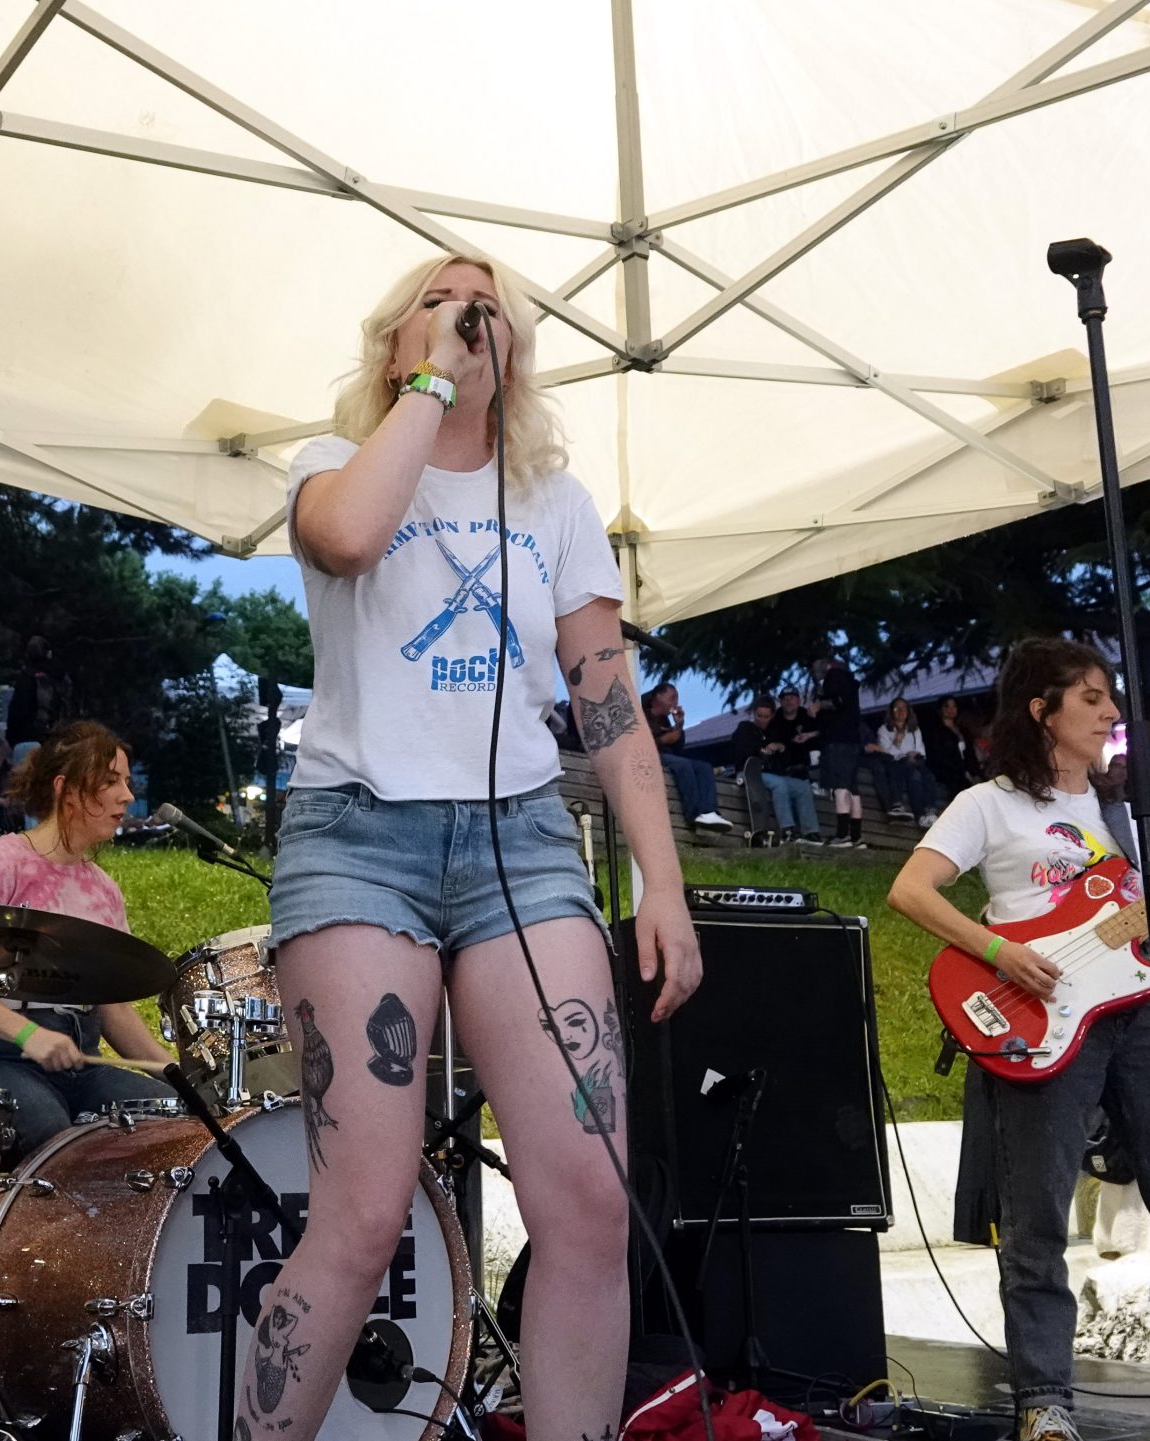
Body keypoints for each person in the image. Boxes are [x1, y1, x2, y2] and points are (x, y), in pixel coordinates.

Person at [261, 252, 701, 1440]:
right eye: (443, 301)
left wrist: (662, 880)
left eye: (490, 307)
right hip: (359, 838)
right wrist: (428, 388)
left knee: (590, 1203)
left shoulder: (552, 500)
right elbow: (348, 538)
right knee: (362, 1214)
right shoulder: (329, 462)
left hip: (522, 838)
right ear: (392, 337)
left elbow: (607, 700)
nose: (469, 316)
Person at [889, 637, 1150, 1441]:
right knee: (1037, 1218)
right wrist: (998, 950)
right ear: (1042, 709)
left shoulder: (1127, 818)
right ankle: (1044, 1401)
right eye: (1093, 697)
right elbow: (910, 889)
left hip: (1145, 1017)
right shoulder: (987, 804)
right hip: (1039, 1017)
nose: (1113, 712)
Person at [0, 722, 175, 1158]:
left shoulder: (104, 891)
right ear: (68, 789)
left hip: (79, 1059)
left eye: (127, 782)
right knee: (48, 1130)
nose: (127, 796)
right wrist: (28, 1033)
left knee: (173, 1120)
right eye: (111, 781)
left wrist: (176, 1075)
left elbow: (112, 1007)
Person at [643, 683, 733, 832]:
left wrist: (679, 724)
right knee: (683, 765)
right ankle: (694, 814)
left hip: (669, 756)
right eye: (672, 698)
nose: (675, 703)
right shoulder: (641, 715)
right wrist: (663, 740)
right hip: (650, 756)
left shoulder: (665, 720)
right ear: (658, 697)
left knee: (704, 767)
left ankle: (709, 811)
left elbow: (678, 749)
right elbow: (640, 744)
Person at [813, 653, 869, 847]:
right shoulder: (850, 681)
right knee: (852, 788)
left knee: (840, 787)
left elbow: (838, 701)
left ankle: (842, 834)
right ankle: (856, 836)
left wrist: (818, 705)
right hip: (851, 742)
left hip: (838, 742)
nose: (814, 672)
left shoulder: (835, 677)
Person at [723, 697, 789, 846]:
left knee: (799, 787)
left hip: (768, 774)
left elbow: (782, 760)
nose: (762, 720)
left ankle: (798, 831)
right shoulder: (744, 729)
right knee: (778, 784)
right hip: (747, 773)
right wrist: (762, 752)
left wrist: (780, 748)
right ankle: (782, 828)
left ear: (772, 716)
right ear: (753, 713)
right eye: (759, 716)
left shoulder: (773, 732)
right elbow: (743, 755)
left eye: (766, 717)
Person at [765, 687, 824, 845]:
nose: (788, 701)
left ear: (799, 700)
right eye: (785, 698)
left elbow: (824, 731)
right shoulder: (775, 720)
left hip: (805, 769)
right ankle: (788, 833)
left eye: (792, 697)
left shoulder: (806, 716)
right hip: (780, 771)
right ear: (780, 702)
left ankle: (811, 833)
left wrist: (808, 735)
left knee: (804, 788)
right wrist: (779, 746)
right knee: (783, 785)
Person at [871, 695, 940, 825]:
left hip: (916, 760)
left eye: (903, 708)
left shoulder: (914, 730)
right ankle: (919, 814)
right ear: (891, 712)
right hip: (898, 763)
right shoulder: (884, 730)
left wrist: (914, 754)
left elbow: (920, 748)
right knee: (915, 777)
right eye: (896, 708)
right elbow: (886, 751)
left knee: (929, 777)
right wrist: (897, 741)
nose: (900, 711)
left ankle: (930, 811)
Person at [925, 695, 980, 795]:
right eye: (947, 706)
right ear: (940, 710)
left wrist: (974, 772)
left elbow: (970, 753)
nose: (951, 709)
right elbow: (939, 756)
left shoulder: (962, 730)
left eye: (954, 706)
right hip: (949, 772)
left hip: (966, 769)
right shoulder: (936, 732)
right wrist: (963, 771)